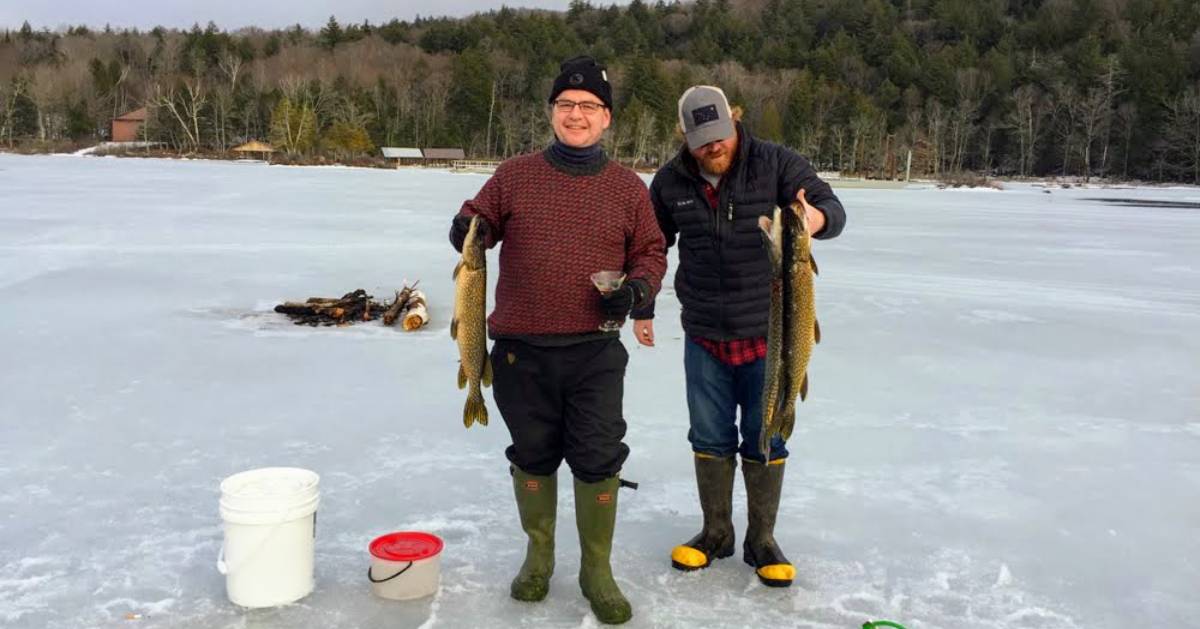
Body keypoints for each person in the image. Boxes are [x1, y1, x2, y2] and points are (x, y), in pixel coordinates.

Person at [448, 56, 666, 624]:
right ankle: (538, 554)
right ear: (552, 112)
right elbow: (480, 217)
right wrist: (467, 226)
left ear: (607, 119)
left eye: (589, 107)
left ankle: (597, 569)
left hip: (595, 351)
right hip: (520, 351)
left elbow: (650, 250)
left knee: (598, 459)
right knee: (534, 456)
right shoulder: (515, 174)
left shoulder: (626, 188)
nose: (577, 114)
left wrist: (638, 290)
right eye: (566, 105)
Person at [631, 85, 845, 588]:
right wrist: (642, 305)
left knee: (767, 432)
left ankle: (761, 539)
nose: (715, 147)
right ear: (685, 136)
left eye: (721, 134)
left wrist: (812, 218)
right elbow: (650, 246)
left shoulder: (775, 163)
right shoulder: (669, 182)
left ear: (735, 120)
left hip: (769, 332)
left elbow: (832, 209)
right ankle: (716, 532)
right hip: (704, 331)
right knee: (709, 436)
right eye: (702, 140)